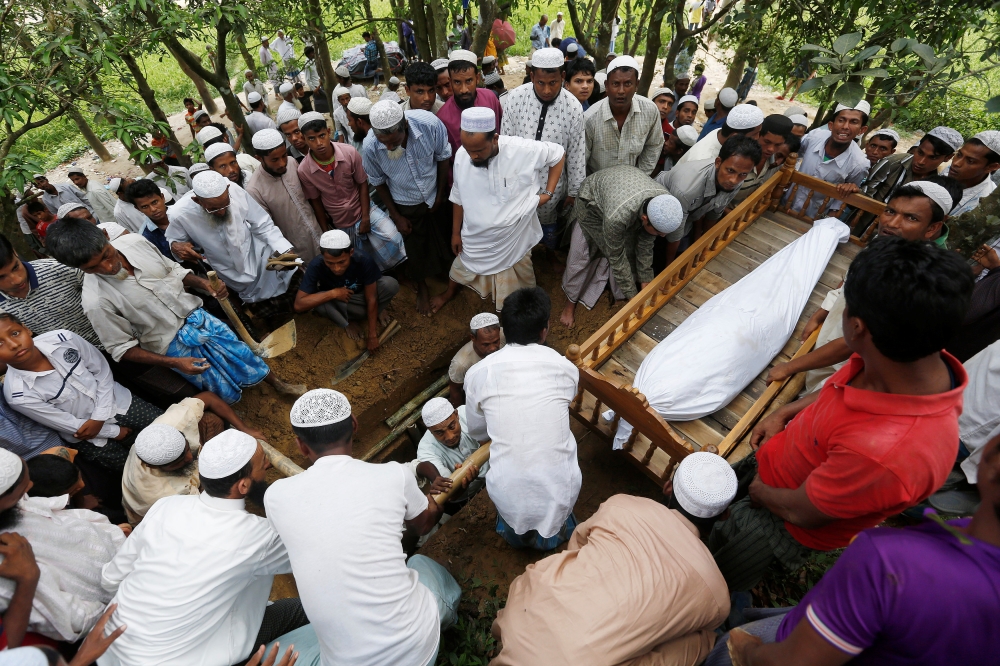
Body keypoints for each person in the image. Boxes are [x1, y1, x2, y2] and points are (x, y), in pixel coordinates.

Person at [709, 237, 972, 593]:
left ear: (857, 327)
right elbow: (839, 386)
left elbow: (804, 511)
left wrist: (758, 493)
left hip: (778, 521)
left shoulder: (889, 454)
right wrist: (786, 412)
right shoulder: (903, 351)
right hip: (771, 471)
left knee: (715, 576)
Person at [718, 432, 1000, 666]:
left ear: (990, 458)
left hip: (783, 651)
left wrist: (746, 651)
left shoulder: (888, 564)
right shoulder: (949, 551)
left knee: (727, 640)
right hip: (843, 630)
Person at [265, 389, 461, 666]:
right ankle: (450, 617)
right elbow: (423, 525)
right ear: (354, 425)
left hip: (343, 661)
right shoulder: (393, 474)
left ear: (300, 445)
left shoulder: (276, 496)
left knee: (271, 653)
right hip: (417, 650)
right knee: (422, 564)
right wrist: (433, 502)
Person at [493, 454, 737, 665]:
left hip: (523, 616)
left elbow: (577, 543)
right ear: (725, 515)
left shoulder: (623, 504)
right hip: (577, 660)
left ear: (668, 487)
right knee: (705, 640)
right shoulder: (717, 595)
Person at [100, 430, 309, 666]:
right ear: (242, 485)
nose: (268, 465)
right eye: (263, 464)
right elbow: (321, 545)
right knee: (304, 609)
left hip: (109, 647)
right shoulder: (259, 536)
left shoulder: (167, 506)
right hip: (176, 660)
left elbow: (110, 578)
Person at [45, 216, 304, 404]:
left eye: (106, 254)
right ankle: (250, 408)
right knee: (216, 384)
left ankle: (278, 385)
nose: (108, 267)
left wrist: (205, 285)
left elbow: (175, 272)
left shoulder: (136, 242)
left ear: (104, 235)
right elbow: (122, 350)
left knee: (241, 352)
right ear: (80, 269)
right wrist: (173, 362)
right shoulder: (95, 301)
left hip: (200, 318)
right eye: (93, 267)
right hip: (172, 347)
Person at [768, 179, 963, 397]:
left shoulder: (917, 279)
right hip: (831, 343)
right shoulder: (891, 240)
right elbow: (851, 276)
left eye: (911, 218)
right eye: (890, 211)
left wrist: (790, 367)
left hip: (845, 369)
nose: (892, 223)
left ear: (933, 228)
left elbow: (855, 343)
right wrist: (824, 311)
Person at [465, 287, 581, 550]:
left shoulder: (477, 374)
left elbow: (477, 431)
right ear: (545, 329)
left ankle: (517, 538)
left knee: (516, 507)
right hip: (560, 490)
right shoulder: (565, 368)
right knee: (554, 513)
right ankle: (554, 538)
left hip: (508, 493)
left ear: (504, 330)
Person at [430, 108, 566, 313]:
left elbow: (558, 154)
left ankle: (518, 311)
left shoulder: (521, 149)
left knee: (520, 282)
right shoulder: (461, 156)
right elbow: (458, 196)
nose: (473, 156)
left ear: (494, 138)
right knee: (463, 265)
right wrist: (456, 233)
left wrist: (548, 192)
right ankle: (449, 293)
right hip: (476, 237)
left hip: (513, 239)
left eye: (478, 151)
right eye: (468, 150)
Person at [0, 315, 164, 475]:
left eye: (15, 333)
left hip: (120, 403)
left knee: (171, 430)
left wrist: (99, 417)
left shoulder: (63, 338)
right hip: (92, 438)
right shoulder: (17, 394)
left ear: (26, 329)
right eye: (0, 344)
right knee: (141, 472)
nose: (14, 344)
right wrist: (114, 432)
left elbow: (102, 372)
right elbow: (67, 424)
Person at [0, 448, 126, 643]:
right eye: (23, 489)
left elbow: (66, 517)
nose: (31, 486)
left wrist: (116, 535)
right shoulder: (11, 562)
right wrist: (118, 599)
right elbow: (72, 619)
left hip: (124, 559)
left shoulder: (16, 504)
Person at [166, 171, 302, 325]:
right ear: (197, 201)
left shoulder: (235, 190)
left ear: (228, 189)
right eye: (214, 209)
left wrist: (284, 249)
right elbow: (174, 240)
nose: (222, 211)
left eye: (225, 204)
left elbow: (262, 222)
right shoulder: (180, 214)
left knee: (290, 277)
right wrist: (176, 246)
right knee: (263, 306)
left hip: (257, 253)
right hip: (230, 269)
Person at [560, 168, 682, 328]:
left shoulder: (664, 204)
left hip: (620, 194)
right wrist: (634, 298)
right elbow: (616, 256)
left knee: (630, 251)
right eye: (659, 232)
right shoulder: (617, 216)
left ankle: (619, 296)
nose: (663, 237)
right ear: (645, 219)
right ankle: (570, 305)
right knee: (582, 256)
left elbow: (645, 247)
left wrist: (646, 284)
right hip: (592, 207)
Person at [362, 101, 452, 315]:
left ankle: (452, 278)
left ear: (405, 125)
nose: (389, 148)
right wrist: (396, 216)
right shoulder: (371, 147)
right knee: (415, 247)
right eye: (384, 142)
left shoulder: (429, 124)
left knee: (446, 238)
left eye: (394, 142)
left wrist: (439, 195)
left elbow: (443, 157)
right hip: (405, 200)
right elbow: (378, 180)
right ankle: (422, 287)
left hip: (434, 192)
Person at [121, 393, 261, 525]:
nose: (189, 458)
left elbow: (208, 398)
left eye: (186, 450)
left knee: (210, 420)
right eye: (178, 462)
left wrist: (243, 428)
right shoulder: (166, 494)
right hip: (167, 519)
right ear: (153, 466)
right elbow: (201, 514)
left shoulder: (170, 426)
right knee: (223, 493)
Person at [501, 48, 585, 250]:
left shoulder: (573, 107)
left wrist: (574, 192)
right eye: (541, 83)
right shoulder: (515, 99)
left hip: (552, 187)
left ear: (563, 76)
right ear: (531, 77)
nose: (547, 90)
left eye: (553, 83)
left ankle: (548, 255)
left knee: (550, 226)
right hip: (518, 183)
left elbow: (576, 153)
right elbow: (504, 145)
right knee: (517, 227)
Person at [658, 136, 762, 262]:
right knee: (662, 254)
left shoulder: (735, 181)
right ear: (718, 162)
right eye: (730, 170)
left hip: (688, 217)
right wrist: (669, 268)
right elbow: (674, 236)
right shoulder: (687, 188)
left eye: (743, 174)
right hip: (660, 212)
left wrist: (701, 247)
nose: (734, 180)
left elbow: (713, 214)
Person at [294, 230, 398, 347]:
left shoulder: (363, 260)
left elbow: (371, 298)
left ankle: (378, 309)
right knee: (318, 303)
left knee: (390, 284)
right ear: (323, 256)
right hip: (341, 303)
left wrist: (372, 335)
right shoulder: (316, 265)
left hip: (362, 297)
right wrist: (333, 293)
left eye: (341, 262)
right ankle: (347, 322)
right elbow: (299, 305)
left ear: (351, 252)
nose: (337, 268)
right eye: (330, 263)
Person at [0, 233, 101, 347]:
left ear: (14, 252)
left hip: (111, 346)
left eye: (15, 267)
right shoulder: (1, 311)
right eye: (1, 277)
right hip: (70, 360)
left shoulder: (59, 268)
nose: (17, 280)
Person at [247, 127, 324, 263]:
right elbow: (267, 231)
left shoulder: (292, 162)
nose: (282, 163)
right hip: (297, 253)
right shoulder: (255, 190)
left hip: (321, 237)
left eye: (283, 156)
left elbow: (311, 199)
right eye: (274, 160)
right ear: (259, 158)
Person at [786, 101, 873, 218]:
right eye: (841, 120)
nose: (845, 127)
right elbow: (794, 154)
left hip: (812, 218)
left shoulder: (860, 164)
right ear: (831, 125)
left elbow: (843, 198)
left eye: (853, 122)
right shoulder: (814, 137)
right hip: (785, 203)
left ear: (862, 130)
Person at [297, 111, 368, 246]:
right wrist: (326, 232)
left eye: (322, 136)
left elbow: (362, 183)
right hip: (340, 222)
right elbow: (316, 202)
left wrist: (366, 217)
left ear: (329, 132)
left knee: (391, 238)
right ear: (304, 138)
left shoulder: (349, 152)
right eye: (311, 138)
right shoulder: (304, 170)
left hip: (364, 210)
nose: (319, 143)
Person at [584, 55, 664, 175]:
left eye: (627, 84)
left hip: (633, 183)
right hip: (596, 185)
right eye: (615, 84)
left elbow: (654, 145)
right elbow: (580, 163)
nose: (621, 91)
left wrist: (639, 177)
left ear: (636, 85)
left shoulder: (650, 110)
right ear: (606, 85)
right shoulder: (590, 119)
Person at [415, 397, 487, 507]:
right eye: (439, 433)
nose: (450, 437)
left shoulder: (469, 414)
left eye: (452, 427)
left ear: (457, 415)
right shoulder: (426, 450)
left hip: (495, 477)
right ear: (429, 430)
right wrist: (463, 483)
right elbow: (449, 494)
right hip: (465, 501)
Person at [437, 50, 503, 156]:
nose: (464, 90)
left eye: (468, 81)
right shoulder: (443, 118)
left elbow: (502, 134)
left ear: (477, 78)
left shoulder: (490, 98)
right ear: (450, 81)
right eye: (457, 82)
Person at [676, 103, 764, 167]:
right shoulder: (704, 161)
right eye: (754, 134)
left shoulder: (719, 132)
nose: (757, 138)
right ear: (735, 136)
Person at [731, 113, 793, 203]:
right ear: (758, 135)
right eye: (767, 142)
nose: (771, 149)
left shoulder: (772, 163)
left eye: (778, 145)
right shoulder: (739, 157)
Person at [447, 312, 505, 406]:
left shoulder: (504, 335)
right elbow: (455, 389)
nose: (493, 348)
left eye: (496, 342)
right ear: (473, 338)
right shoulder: (461, 364)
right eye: (486, 344)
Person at [946, 131, 1000, 216]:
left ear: (991, 167)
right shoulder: (951, 171)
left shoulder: (983, 204)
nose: (956, 163)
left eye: (970, 161)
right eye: (959, 155)